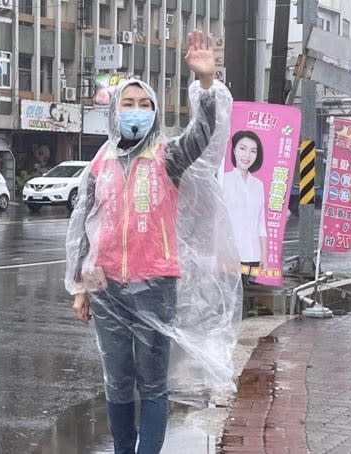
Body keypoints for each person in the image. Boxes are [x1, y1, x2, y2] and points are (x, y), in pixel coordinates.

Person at [65, 30, 240, 454]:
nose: (136, 112)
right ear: (114, 113)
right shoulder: (98, 165)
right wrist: (77, 287)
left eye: (145, 105)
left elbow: (203, 133)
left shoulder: (169, 157)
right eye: (129, 104)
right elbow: (80, 228)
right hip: (105, 286)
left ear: (156, 114)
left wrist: (205, 83)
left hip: (155, 287)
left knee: (152, 381)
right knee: (118, 379)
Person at [223, 130, 268, 282]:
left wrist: (263, 254)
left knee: (248, 297)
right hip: (230, 256)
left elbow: (261, 222)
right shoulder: (223, 181)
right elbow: (218, 220)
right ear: (234, 150)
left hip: (253, 255)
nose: (247, 155)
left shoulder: (258, 185)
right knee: (232, 299)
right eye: (242, 148)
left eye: (253, 151)